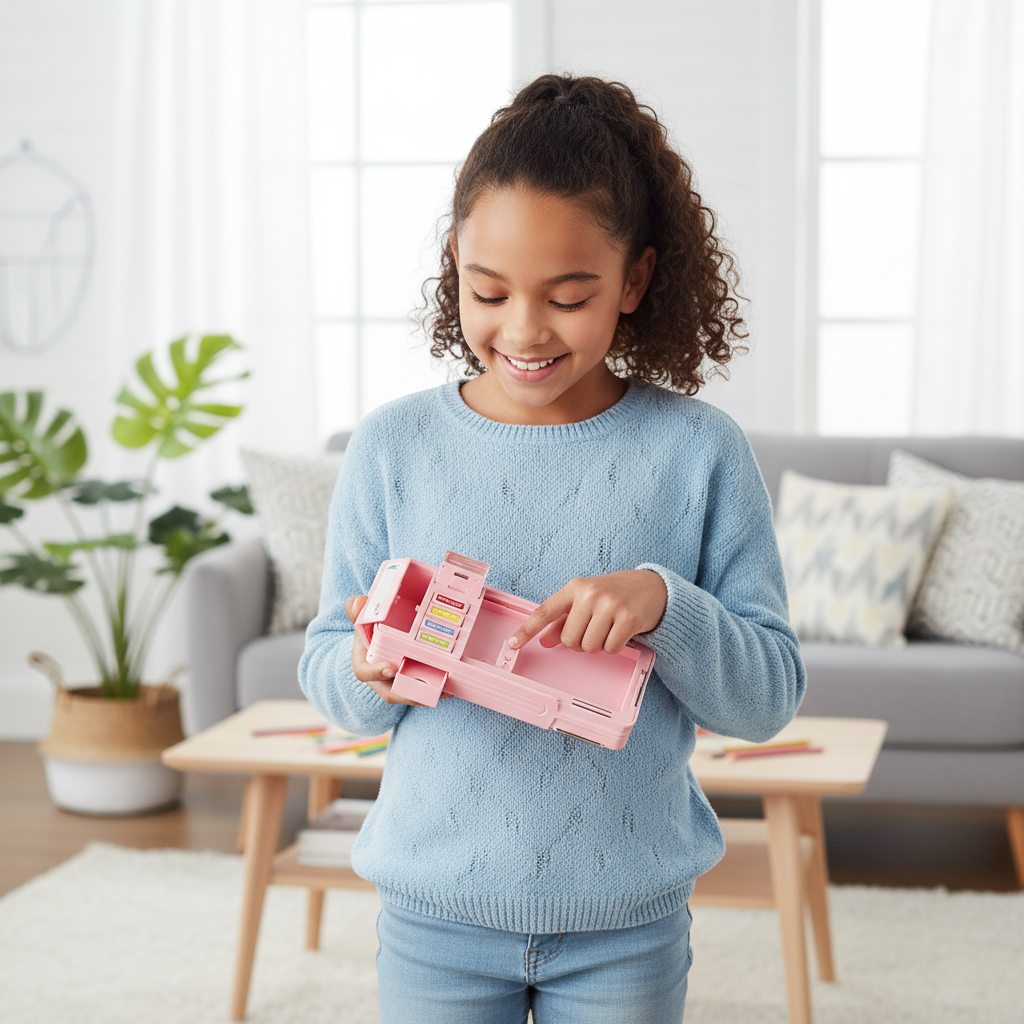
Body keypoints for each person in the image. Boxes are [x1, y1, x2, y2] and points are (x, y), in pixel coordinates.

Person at [299, 73, 805, 1024]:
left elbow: (771, 696)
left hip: (627, 922)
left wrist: (667, 604)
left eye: (569, 297)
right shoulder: (394, 447)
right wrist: (373, 665)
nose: (524, 330)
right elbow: (328, 670)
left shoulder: (698, 453)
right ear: (456, 266)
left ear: (637, 280)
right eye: (489, 291)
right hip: (432, 911)